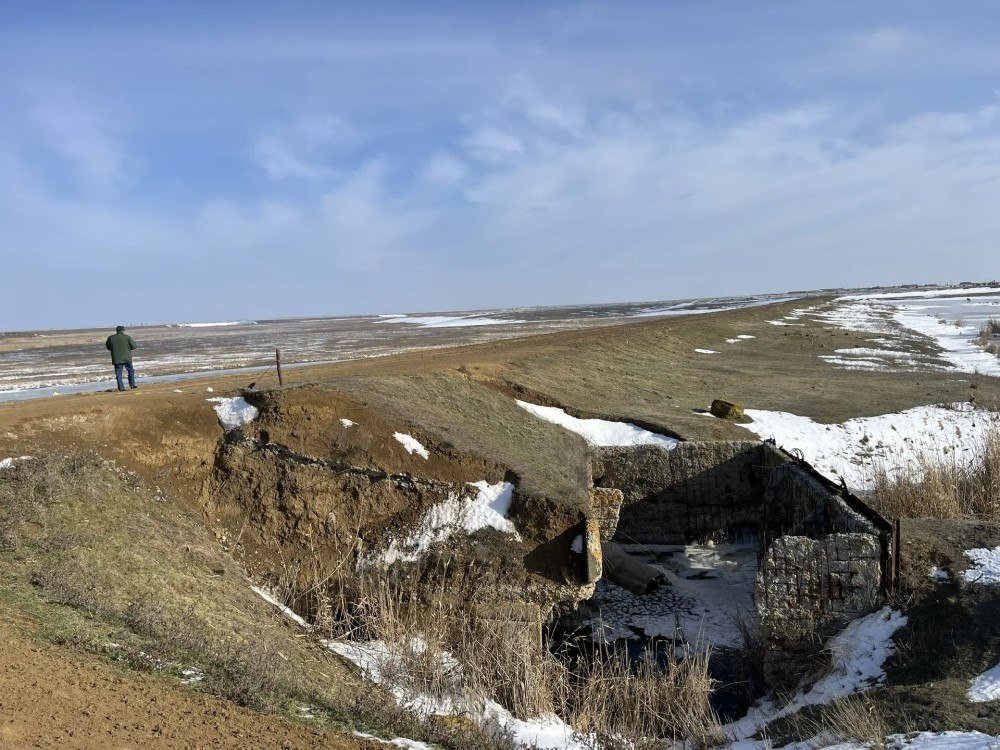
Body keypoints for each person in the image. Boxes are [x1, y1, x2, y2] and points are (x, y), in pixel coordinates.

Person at [105, 326, 138, 391]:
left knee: (118, 373)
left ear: (116, 330)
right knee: (130, 371)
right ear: (123, 330)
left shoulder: (111, 338)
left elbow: (108, 347)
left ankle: (121, 388)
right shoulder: (127, 337)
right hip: (127, 358)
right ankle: (132, 385)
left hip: (117, 359)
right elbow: (134, 346)